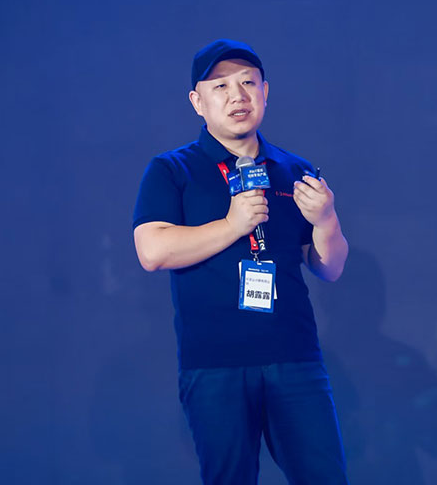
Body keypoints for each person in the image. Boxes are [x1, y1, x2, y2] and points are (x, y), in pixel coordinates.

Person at [132, 39, 350, 484]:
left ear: (265, 92)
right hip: (216, 363)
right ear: (198, 102)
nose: (238, 96)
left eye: (248, 83)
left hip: (294, 357)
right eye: (221, 86)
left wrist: (326, 220)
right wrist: (233, 225)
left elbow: (328, 267)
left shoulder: (295, 169)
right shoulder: (173, 170)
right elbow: (152, 251)